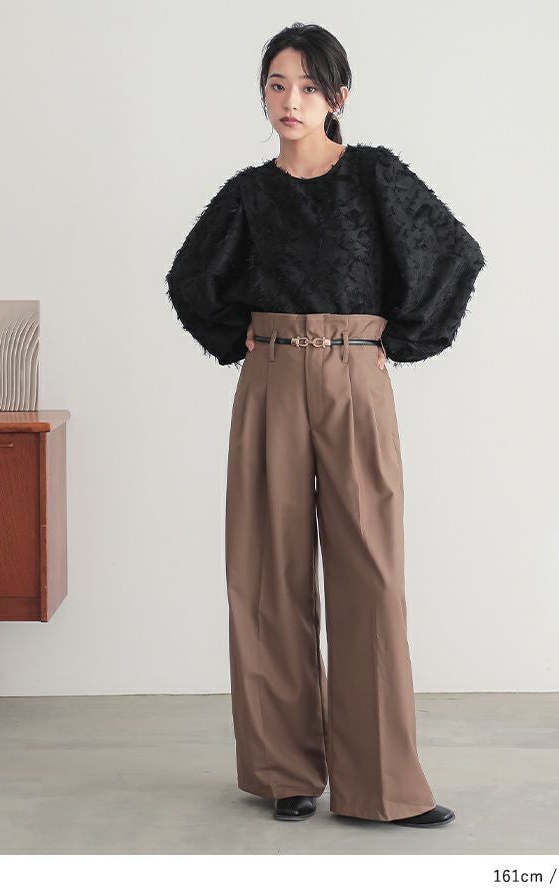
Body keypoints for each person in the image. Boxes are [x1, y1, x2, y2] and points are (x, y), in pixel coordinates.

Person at [165, 23, 486, 828]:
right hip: (271, 377)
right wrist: (234, 334)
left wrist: (394, 342)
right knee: (266, 575)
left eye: (308, 86)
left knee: (370, 575)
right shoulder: (249, 193)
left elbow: (454, 254)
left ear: (339, 95)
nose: (291, 101)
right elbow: (189, 277)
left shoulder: (374, 175)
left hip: (353, 376)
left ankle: (383, 787)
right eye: (277, 85)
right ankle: (285, 773)